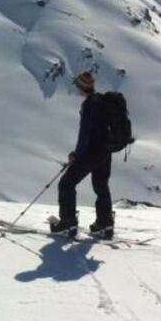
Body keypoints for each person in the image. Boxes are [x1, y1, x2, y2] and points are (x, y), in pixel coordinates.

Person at [49, 71, 114, 239]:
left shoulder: (89, 105)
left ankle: (68, 223)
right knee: (101, 186)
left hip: (91, 152)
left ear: (82, 86)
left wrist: (76, 154)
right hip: (106, 151)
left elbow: (85, 134)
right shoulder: (102, 101)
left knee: (66, 184)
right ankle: (105, 225)